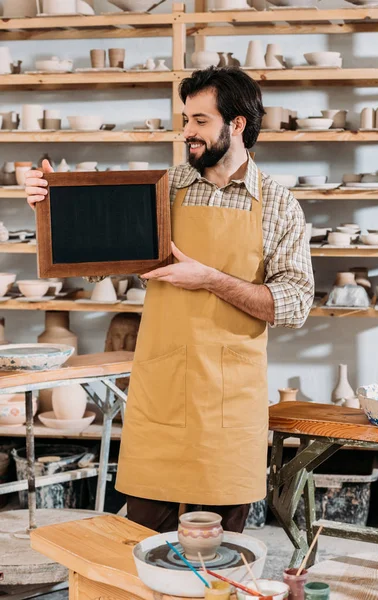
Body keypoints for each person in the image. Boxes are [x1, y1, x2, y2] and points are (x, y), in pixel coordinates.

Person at [25, 67, 314, 535]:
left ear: (236, 124)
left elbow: (295, 304)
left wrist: (210, 279)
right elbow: (101, 262)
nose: (187, 132)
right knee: (142, 549)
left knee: (218, 556)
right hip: (159, 397)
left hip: (229, 406)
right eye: (185, 119)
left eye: (200, 120)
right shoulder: (165, 189)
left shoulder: (279, 205)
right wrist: (52, 207)